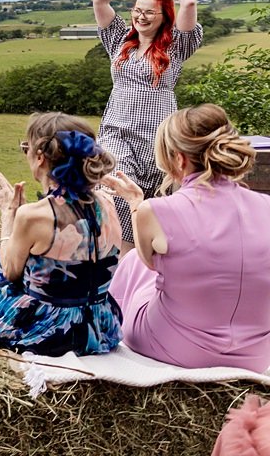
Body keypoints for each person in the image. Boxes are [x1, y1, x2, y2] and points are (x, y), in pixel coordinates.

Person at [105, 104, 270, 371]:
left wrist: (137, 203)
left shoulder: (157, 211)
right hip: (257, 355)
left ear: (179, 159)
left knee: (135, 259)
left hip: (175, 347)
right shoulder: (266, 205)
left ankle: (107, 328)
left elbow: (148, 261)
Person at [0, 112, 124, 356]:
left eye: (26, 149)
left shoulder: (34, 215)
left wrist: (8, 215)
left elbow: (11, 271)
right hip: (101, 327)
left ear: (40, 157)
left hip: (52, 333)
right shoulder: (106, 202)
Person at [92, 0, 201, 247]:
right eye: (137, 10)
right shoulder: (118, 40)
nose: (140, 16)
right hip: (117, 132)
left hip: (158, 137)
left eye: (149, 11)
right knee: (119, 189)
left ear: (164, 15)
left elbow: (189, 2)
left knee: (158, 204)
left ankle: (150, 266)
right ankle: (124, 264)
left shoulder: (176, 46)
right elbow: (99, 0)